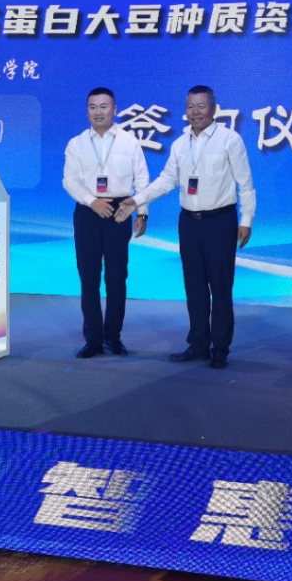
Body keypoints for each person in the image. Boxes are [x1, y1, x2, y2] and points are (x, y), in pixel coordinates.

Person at [117, 85, 254, 370]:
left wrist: (246, 221)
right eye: (191, 107)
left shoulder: (230, 139)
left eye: (201, 106)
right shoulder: (180, 144)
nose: (196, 112)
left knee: (221, 287)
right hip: (189, 223)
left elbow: (246, 184)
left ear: (213, 108)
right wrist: (137, 200)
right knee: (194, 287)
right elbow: (166, 181)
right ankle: (199, 344)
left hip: (220, 221)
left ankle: (220, 349)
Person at [63, 87, 149, 358]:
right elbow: (69, 181)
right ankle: (93, 339)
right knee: (88, 277)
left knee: (116, 277)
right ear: (87, 110)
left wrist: (142, 212)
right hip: (87, 212)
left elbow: (142, 179)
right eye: (92, 107)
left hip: (120, 210)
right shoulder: (76, 143)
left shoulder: (129, 142)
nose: (98, 112)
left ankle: (114, 336)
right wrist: (92, 201)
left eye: (103, 106)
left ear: (114, 109)